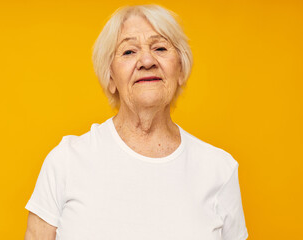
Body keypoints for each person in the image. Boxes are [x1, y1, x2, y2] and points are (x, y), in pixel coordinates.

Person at [24, 4, 249, 240]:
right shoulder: (65, 162)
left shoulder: (219, 170)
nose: (147, 60)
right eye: (129, 52)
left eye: (160, 48)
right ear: (110, 77)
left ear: (180, 70)